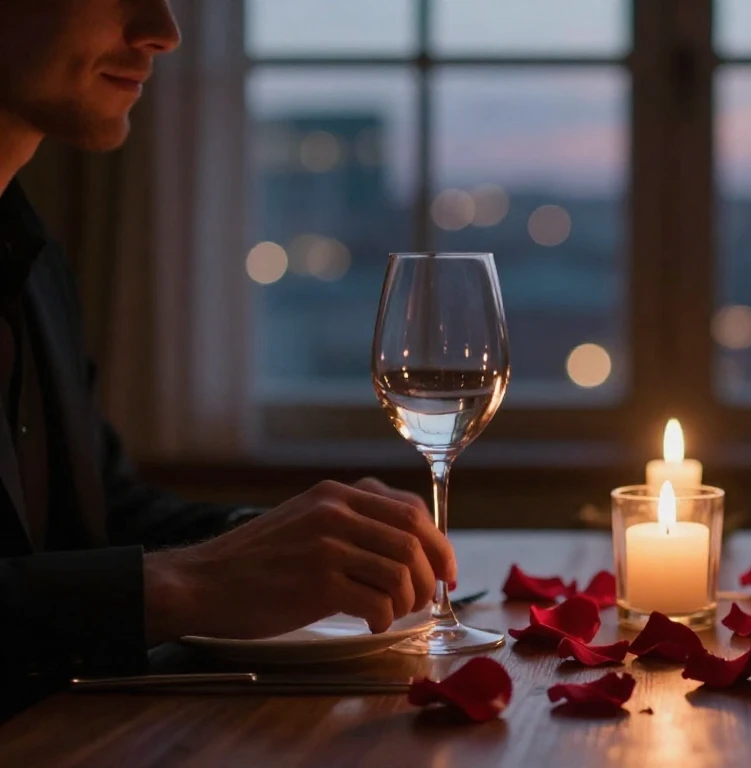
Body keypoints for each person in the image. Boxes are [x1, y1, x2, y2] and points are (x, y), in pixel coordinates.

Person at [0, 0, 456, 710]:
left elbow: (102, 514)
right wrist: (185, 584)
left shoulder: (29, 254)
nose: (164, 32)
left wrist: (288, 541)